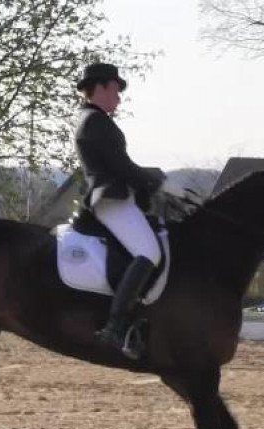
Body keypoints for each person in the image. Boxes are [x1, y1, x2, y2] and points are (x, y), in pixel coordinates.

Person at [74, 62, 188, 354]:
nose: (119, 98)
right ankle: (115, 326)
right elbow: (121, 167)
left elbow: (125, 166)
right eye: (115, 89)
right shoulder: (94, 122)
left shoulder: (95, 120)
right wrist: (157, 182)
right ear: (99, 87)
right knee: (148, 251)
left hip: (119, 197)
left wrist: (156, 181)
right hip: (110, 199)